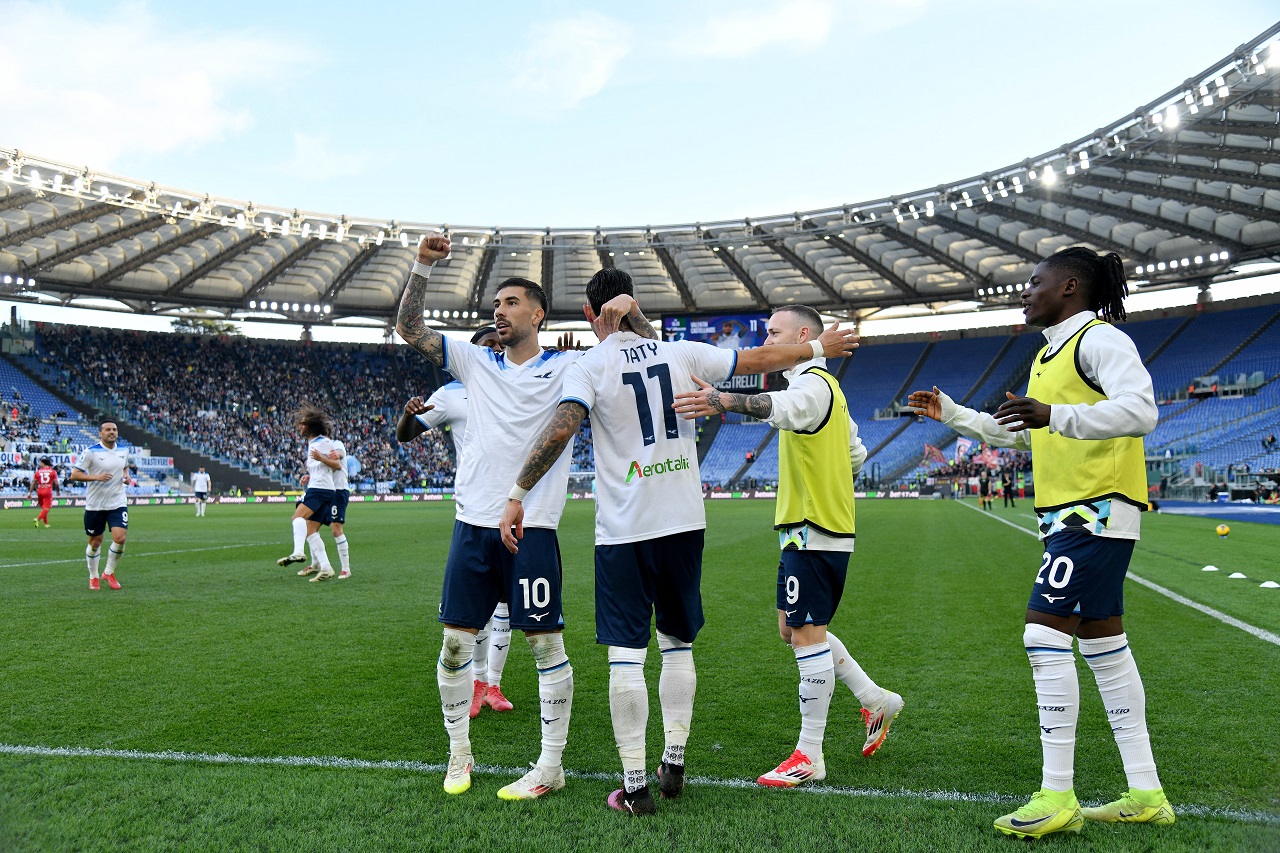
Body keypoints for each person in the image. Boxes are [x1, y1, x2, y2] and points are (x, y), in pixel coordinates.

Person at [499, 274, 859, 815]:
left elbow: (561, 428)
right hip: (685, 524)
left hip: (625, 530)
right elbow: (757, 362)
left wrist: (517, 493)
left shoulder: (589, 366)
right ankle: (675, 759)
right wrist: (816, 347)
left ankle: (636, 786)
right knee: (677, 646)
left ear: (589, 311)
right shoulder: (682, 353)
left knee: (626, 655)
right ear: (634, 306)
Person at [907, 246, 1173, 839]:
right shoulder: (1047, 358)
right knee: (1105, 645)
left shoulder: (1100, 340)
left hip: (1096, 509)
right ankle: (1145, 790)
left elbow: (1141, 411)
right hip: (1069, 513)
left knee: (1041, 631)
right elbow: (1029, 437)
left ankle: (1057, 795)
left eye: (1035, 282)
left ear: (1070, 287)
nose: (1025, 292)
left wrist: (1055, 415)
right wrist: (952, 414)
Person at [395, 233, 655, 800]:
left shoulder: (569, 366)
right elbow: (410, 331)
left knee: (544, 647)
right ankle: (458, 754)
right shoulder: (473, 361)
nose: (500, 311)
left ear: (538, 313)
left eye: (511, 303)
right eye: (496, 305)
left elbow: (648, 353)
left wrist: (631, 313)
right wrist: (421, 266)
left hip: (533, 528)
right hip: (472, 527)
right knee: (456, 647)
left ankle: (551, 766)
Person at [671, 304, 900, 791]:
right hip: (809, 529)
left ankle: (809, 754)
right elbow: (855, 452)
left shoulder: (813, 385)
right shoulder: (827, 391)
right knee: (792, 630)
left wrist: (722, 399)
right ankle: (875, 698)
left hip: (816, 528)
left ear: (803, 335)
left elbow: (779, 409)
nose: (768, 341)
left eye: (774, 333)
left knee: (807, 635)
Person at [397, 326, 516, 717]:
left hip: (521, 505)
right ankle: (478, 680)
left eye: (499, 345)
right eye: (487, 345)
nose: (495, 350)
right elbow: (406, 435)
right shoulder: (450, 394)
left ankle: (493, 685)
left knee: (507, 606)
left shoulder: (522, 381)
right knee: (477, 608)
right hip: (477, 508)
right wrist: (407, 414)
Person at [275, 404, 339, 582]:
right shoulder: (313, 443)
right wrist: (308, 477)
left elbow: (337, 466)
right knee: (310, 530)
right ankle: (326, 568)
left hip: (321, 489)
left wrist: (322, 458)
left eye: (303, 424)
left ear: (311, 426)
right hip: (318, 486)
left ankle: (298, 552)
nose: (299, 427)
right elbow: (321, 468)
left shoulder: (324, 442)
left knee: (297, 518)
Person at [70, 422, 130, 591]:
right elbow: (75, 474)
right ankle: (93, 576)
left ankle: (109, 572)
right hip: (95, 504)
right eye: (108, 430)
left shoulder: (124, 450)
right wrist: (96, 477)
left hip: (117, 502)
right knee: (96, 542)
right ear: (100, 433)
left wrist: (127, 477)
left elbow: (125, 467)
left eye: (114, 430)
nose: (112, 432)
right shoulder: (91, 452)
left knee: (120, 538)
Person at [28, 455, 60, 528]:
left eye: (40, 462)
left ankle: (46, 524)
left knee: (44, 508)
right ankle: (37, 519)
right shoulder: (53, 472)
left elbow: (33, 483)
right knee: (47, 508)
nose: (40, 464)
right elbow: (57, 483)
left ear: (43, 463)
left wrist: (29, 492)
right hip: (48, 491)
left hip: (39, 491)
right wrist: (58, 491)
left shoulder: (38, 472)